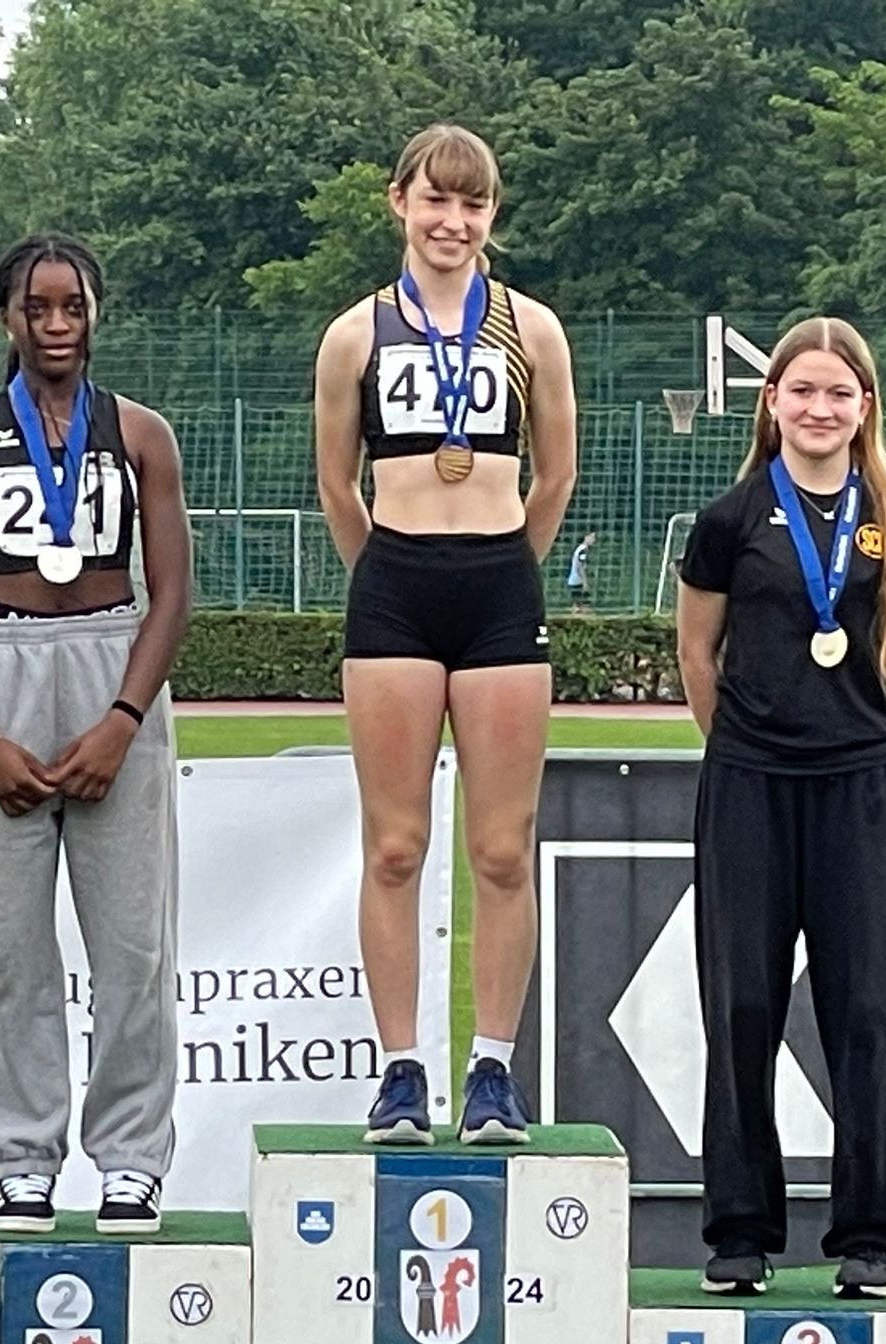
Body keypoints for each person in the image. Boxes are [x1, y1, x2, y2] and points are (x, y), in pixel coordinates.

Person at [0, 232, 192, 1234]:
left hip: (115, 663)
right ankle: (21, 1158)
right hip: (4, 664)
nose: (56, 324)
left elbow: (173, 592)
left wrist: (123, 719)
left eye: (72, 306)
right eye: (36, 308)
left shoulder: (142, 435)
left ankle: (131, 1159)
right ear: (7, 318)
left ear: (95, 313)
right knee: (5, 947)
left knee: (133, 945)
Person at [313, 123, 578, 1145]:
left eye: (472, 205)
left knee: (502, 849)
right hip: (394, 592)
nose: (452, 222)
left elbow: (555, 472)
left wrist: (511, 563)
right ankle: (399, 1072)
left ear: (491, 216)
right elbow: (337, 483)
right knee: (394, 846)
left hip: (500, 589)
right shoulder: (354, 336)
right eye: (435, 199)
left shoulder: (531, 329)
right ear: (399, 202)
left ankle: (492, 1071)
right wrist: (383, 572)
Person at [675, 316, 886, 1299]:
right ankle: (740, 1233)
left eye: (838, 393)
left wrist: (870, 719)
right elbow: (696, 651)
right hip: (749, 787)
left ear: (864, 407)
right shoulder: (729, 519)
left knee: (866, 1012)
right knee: (742, 1007)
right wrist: (745, 742)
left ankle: (869, 1238)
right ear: (771, 402)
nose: (819, 409)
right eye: (802, 391)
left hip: (861, 789)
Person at [566, 530, 597, 611]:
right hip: (577, 581)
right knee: (584, 605)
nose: (593, 540)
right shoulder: (583, 550)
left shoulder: (580, 549)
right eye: (592, 537)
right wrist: (585, 582)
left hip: (574, 581)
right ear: (586, 537)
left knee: (578, 605)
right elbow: (581, 567)